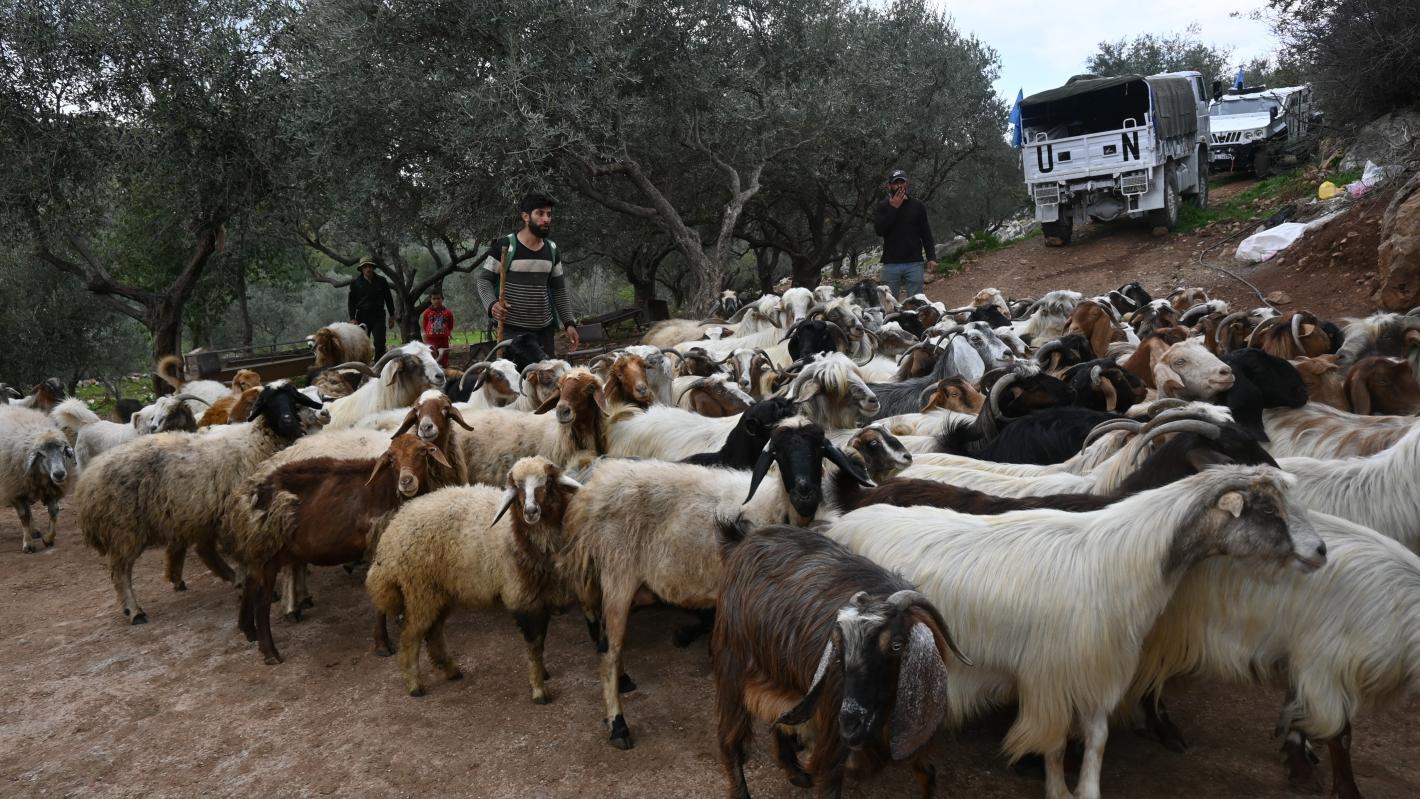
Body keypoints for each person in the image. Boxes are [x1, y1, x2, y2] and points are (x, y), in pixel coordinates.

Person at [476, 192, 580, 356]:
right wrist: (492, 305)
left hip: (544, 331)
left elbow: (559, 290)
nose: (546, 219)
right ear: (525, 216)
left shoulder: (552, 250)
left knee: (544, 378)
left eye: (549, 214)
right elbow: (484, 280)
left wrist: (569, 323)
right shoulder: (505, 246)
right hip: (511, 330)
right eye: (540, 213)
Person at [872, 169, 937, 301]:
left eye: (902, 182)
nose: (900, 186)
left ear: (907, 184)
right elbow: (880, 231)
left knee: (915, 303)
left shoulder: (918, 206)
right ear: (889, 186)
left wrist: (931, 257)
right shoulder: (883, 206)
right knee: (889, 304)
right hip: (890, 263)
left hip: (914, 262)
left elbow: (926, 233)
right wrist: (894, 208)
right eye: (896, 183)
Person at [347, 257, 397, 358]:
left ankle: (379, 366)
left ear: (373, 267)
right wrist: (352, 318)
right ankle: (363, 367)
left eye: (370, 266)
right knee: (361, 344)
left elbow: (388, 299)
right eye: (365, 267)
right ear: (361, 269)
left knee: (380, 343)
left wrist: (392, 316)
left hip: (378, 316)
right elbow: (351, 302)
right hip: (362, 316)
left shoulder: (381, 281)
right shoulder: (355, 282)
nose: (368, 269)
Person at [420, 288, 455, 367]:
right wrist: (429, 334)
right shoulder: (427, 313)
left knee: (444, 358)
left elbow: (450, 325)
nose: (436, 300)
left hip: (443, 340)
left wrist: (447, 332)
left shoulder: (448, 313)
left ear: (442, 299)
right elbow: (425, 325)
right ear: (430, 300)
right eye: (434, 299)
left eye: (438, 298)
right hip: (431, 340)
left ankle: (444, 371)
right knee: (431, 356)